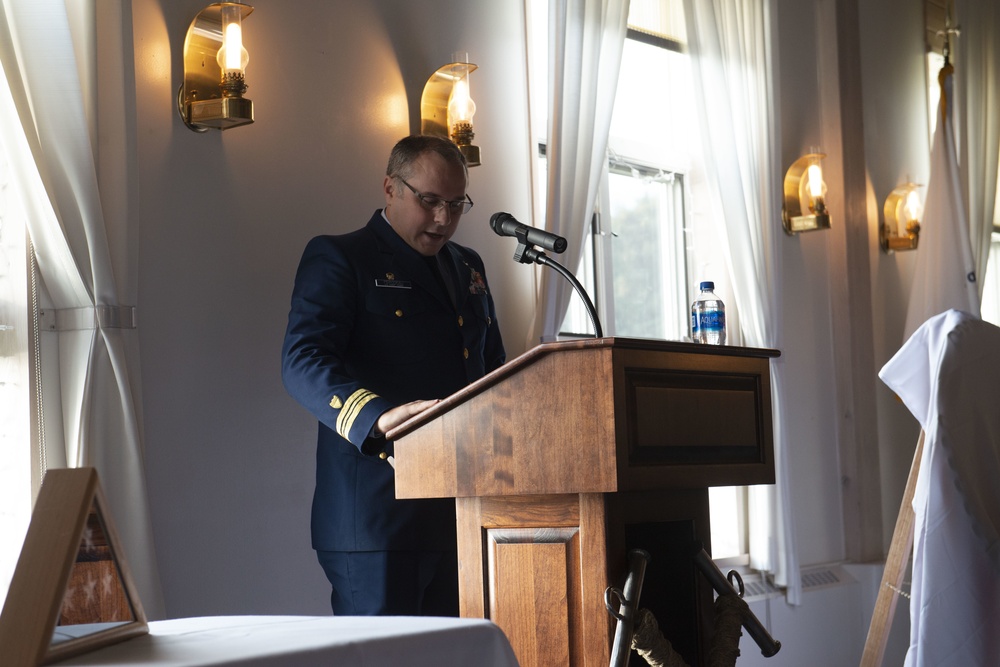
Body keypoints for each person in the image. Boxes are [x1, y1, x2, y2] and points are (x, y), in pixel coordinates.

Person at [281, 135, 506, 616]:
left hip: (460, 509)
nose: (443, 219)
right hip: (378, 513)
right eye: (429, 201)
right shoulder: (342, 257)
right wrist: (375, 417)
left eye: (455, 204)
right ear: (390, 188)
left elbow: (493, 371)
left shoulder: (468, 266)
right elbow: (302, 359)